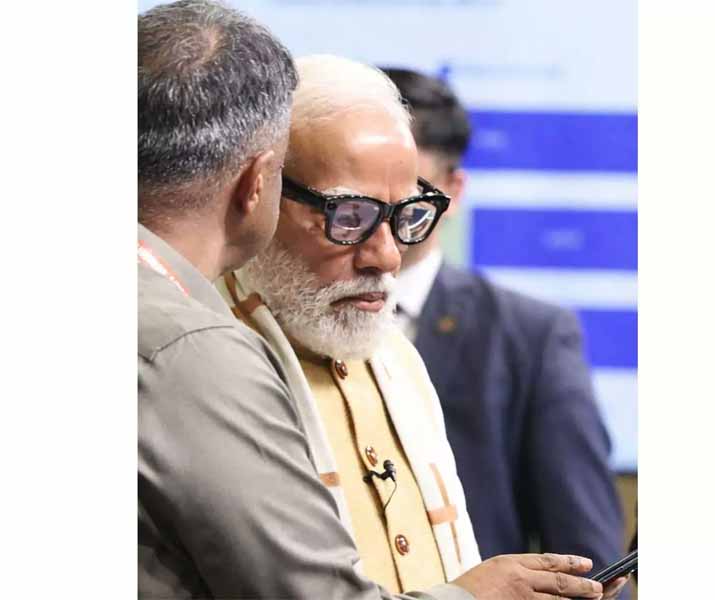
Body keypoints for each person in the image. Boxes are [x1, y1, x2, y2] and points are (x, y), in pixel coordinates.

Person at [217, 53, 626, 599]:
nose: (387, 256)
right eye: (350, 216)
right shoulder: (201, 359)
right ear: (257, 191)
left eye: (408, 215)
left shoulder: (398, 360)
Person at [381, 67, 627, 583]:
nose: (379, 216)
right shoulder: (263, 321)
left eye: (407, 194)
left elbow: (588, 567)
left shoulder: (529, 337)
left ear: (453, 190)